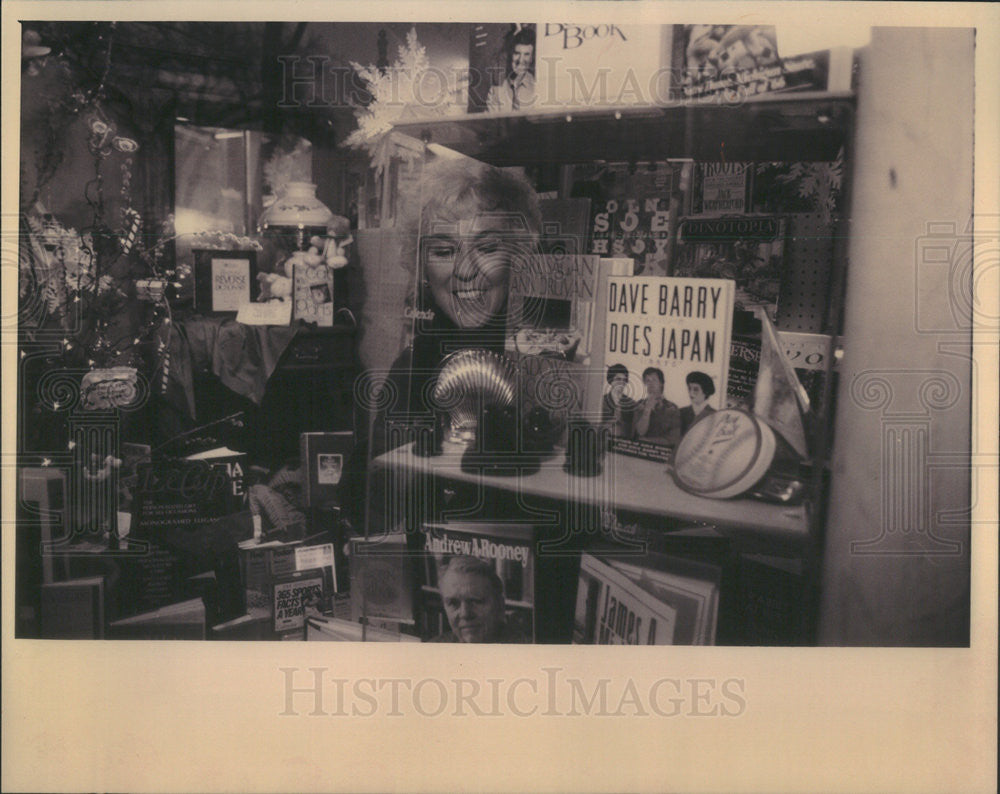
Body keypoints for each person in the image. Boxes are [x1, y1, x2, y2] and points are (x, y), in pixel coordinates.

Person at [369, 157, 542, 458]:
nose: (464, 270)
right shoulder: (411, 370)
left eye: (487, 248)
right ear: (421, 265)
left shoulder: (542, 364)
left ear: (521, 254)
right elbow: (382, 484)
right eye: (444, 250)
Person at [429, 556, 527, 643]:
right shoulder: (434, 651)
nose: (465, 614)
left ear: (500, 605)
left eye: (475, 601)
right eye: (453, 604)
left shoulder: (525, 651)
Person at [487, 27, 536, 113]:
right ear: (510, 55)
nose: (521, 60)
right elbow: (490, 124)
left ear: (532, 58)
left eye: (526, 54)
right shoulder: (496, 91)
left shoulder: (538, 87)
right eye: (517, 53)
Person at [633, 367, 681, 447]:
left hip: (662, 454)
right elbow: (640, 432)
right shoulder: (639, 404)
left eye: (654, 380)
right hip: (640, 452)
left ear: (661, 383)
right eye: (647, 380)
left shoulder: (672, 408)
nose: (650, 384)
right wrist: (647, 409)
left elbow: (674, 439)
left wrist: (648, 441)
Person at [601, 363, 637, 438]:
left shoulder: (631, 403)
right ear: (611, 380)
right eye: (618, 379)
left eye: (624, 380)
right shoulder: (601, 401)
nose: (622, 382)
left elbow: (633, 431)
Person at [680, 370, 717, 436]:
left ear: (706, 391)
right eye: (689, 388)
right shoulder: (681, 412)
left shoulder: (715, 415)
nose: (691, 393)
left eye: (696, 389)